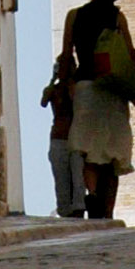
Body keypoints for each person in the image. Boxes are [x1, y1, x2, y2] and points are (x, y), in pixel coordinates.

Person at [60, 0, 135, 220]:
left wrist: (63, 85)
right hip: (113, 89)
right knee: (113, 154)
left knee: (88, 151)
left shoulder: (75, 16)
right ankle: (108, 209)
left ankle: (93, 193)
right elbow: (130, 53)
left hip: (86, 87)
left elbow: (67, 54)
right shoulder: (118, 18)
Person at [41, 62, 86, 219]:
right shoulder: (53, 90)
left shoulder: (77, 89)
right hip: (59, 138)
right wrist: (53, 80)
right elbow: (43, 101)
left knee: (78, 179)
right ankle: (65, 211)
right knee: (61, 180)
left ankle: (78, 210)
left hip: (75, 138)